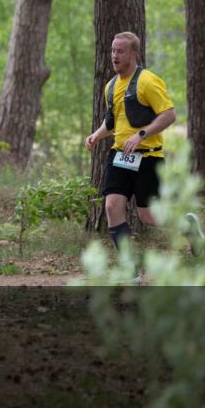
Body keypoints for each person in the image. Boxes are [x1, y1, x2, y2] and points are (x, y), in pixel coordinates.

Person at [85, 32, 177, 254]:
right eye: (112, 51)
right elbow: (112, 122)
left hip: (148, 157)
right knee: (111, 207)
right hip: (120, 156)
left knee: (148, 216)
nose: (114, 55)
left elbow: (169, 115)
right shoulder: (110, 86)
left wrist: (141, 135)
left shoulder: (148, 81)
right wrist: (97, 135)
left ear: (133, 54)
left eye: (120, 51)